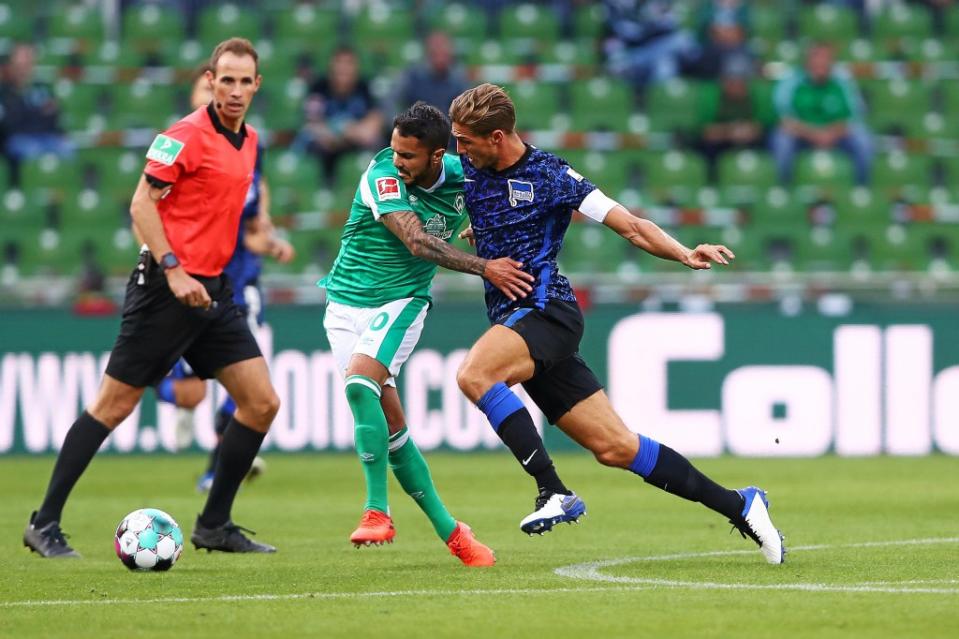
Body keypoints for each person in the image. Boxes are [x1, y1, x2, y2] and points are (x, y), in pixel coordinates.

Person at [448, 83, 785, 564]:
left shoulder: (551, 175)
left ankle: (552, 491)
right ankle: (741, 504)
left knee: (474, 374)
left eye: (465, 141)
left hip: (548, 313)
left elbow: (628, 224)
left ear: (497, 136)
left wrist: (684, 252)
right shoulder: (471, 171)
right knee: (615, 447)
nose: (458, 151)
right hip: (518, 322)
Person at [23, 38, 279, 557]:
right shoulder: (182, 135)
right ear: (209, 80)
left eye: (242, 81)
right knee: (113, 406)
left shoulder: (250, 141)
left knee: (260, 403)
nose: (232, 90)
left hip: (212, 291)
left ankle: (214, 525)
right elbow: (142, 204)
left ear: (257, 85)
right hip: (165, 288)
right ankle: (43, 522)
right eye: (223, 79)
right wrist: (173, 269)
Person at [320, 101, 534, 566]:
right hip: (343, 306)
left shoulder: (465, 174)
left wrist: (485, 223)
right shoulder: (381, 175)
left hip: (401, 301)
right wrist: (484, 266)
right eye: (395, 151)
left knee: (360, 385)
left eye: (408, 156)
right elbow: (416, 240)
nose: (397, 161)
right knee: (390, 424)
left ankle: (377, 511)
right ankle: (454, 534)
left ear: (438, 155)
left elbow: (507, 188)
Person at [153, 64, 295, 493]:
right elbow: (151, 210)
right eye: (208, 88)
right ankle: (174, 399)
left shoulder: (249, 148)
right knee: (185, 389)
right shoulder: (178, 148)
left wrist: (270, 242)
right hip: (190, 281)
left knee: (252, 385)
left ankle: (218, 465)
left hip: (238, 285)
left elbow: (252, 223)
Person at [771, 42, 872, 185]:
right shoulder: (791, 81)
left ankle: (862, 188)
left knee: (863, 139)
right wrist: (814, 134)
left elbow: (855, 116)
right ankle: (784, 189)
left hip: (836, 135)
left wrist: (830, 133)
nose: (821, 63)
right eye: (817, 57)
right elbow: (784, 119)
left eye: (826, 59)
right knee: (782, 140)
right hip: (802, 136)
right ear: (808, 61)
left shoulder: (843, 80)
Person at [297, 46, 384, 185]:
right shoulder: (319, 87)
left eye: (348, 63)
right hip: (326, 146)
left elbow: (374, 123)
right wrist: (339, 131)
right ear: (331, 66)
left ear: (356, 67)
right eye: (339, 63)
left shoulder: (365, 88)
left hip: (355, 144)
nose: (343, 68)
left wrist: (349, 132)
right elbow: (311, 124)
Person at [0, 43, 73, 185]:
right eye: (20, 65)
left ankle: (62, 191)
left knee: (67, 148)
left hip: (45, 137)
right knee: (30, 150)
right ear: (11, 66)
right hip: (18, 140)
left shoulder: (41, 88)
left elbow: (54, 116)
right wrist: (37, 113)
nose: (24, 69)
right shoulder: (4, 91)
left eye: (27, 64)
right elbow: (10, 124)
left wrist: (29, 115)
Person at [394, 31, 467, 117]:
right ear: (428, 53)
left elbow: (469, 107)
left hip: (447, 127)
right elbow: (392, 100)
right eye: (435, 53)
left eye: (443, 53)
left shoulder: (458, 78)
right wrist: (401, 123)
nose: (440, 58)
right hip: (416, 125)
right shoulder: (412, 75)